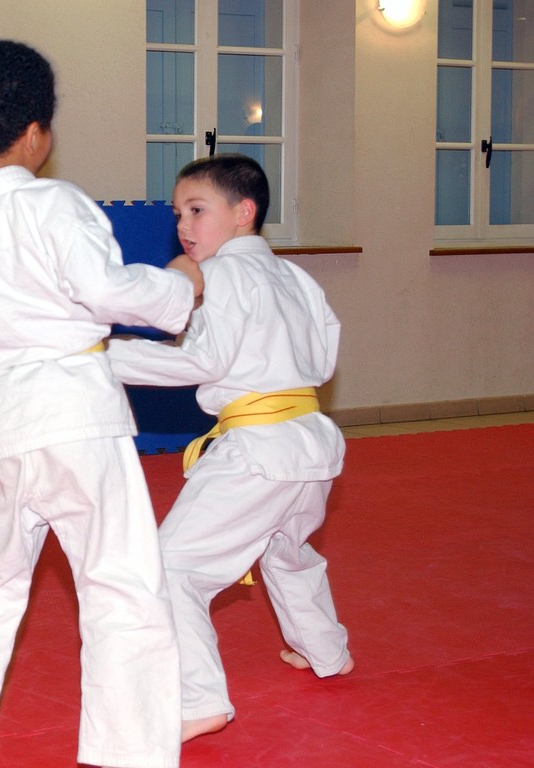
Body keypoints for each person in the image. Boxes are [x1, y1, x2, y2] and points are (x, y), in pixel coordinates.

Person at [0, 39, 202, 768]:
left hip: (0, 420)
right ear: (39, 132)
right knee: (122, 585)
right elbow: (106, 291)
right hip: (76, 414)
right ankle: (128, 756)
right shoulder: (53, 204)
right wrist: (180, 288)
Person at [107, 153, 353, 743]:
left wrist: (102, 356)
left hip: (258, 452)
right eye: (178, 214)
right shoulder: (296, 277)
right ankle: (327, 652)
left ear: (244, 213)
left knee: (171, 567)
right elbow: (322, 360)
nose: (184, 226)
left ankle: (199, 700)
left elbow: (202, 362)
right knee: (287, 553)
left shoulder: (222, 275)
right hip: (312, 442)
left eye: (197, 210)